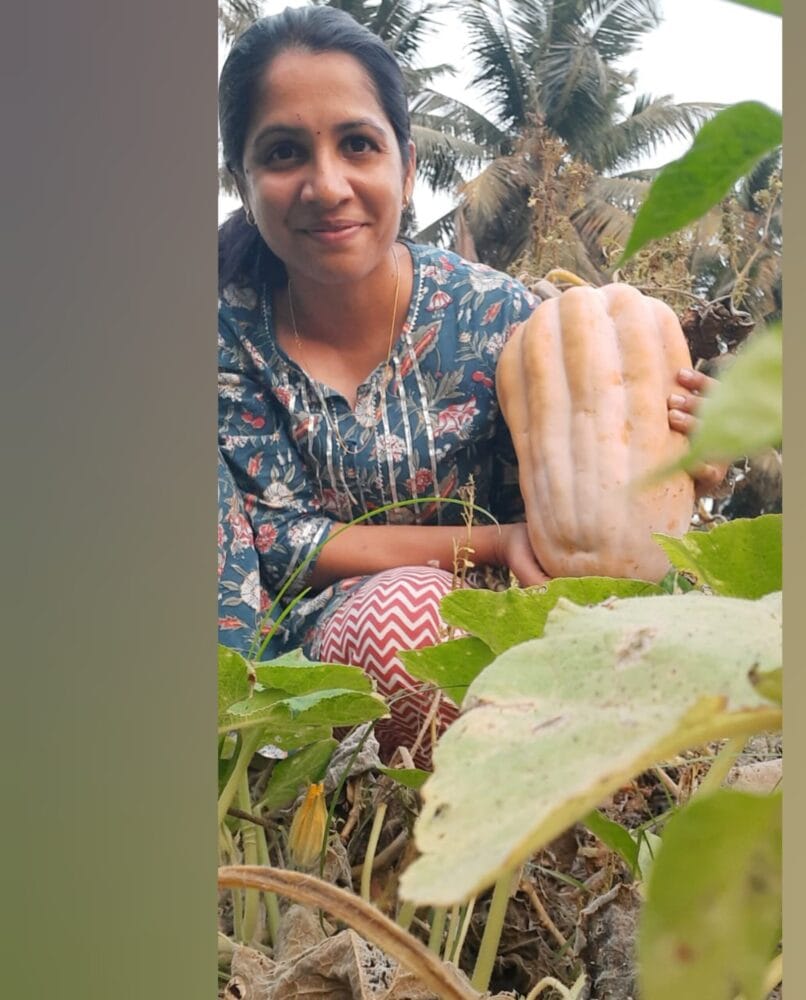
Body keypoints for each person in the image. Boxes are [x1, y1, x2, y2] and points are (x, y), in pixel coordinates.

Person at [217, 5, 723, 765]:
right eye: (285, 153)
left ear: (407, 166)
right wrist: (490, 541)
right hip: (306, 654)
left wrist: (688, 461)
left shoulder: (504, 320)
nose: (326, 186)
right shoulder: (227, 339)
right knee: (407, 620)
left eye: (357, 144)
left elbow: (597, 504)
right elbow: (284, 542)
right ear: (242, 182)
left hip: (514, 617)